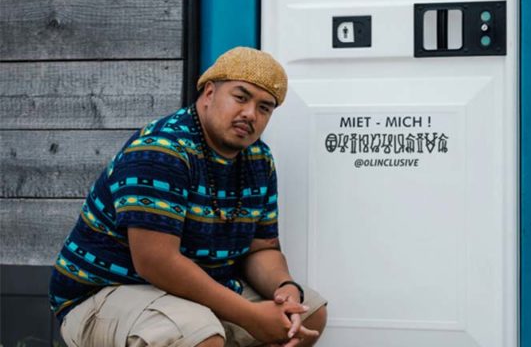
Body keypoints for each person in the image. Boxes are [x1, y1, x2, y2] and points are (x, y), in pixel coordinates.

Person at [49, 47, 328, 347]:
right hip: (108, 292)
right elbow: (156, 261)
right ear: (209, 94)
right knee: (199, 337)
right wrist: (250, 316)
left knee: (307, 316)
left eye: (264, 108)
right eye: (240, 97)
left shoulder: (259, 159)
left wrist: (285, 288)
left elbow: (261, 249)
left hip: (196, 287)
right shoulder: (162, 149)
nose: (250, 114)